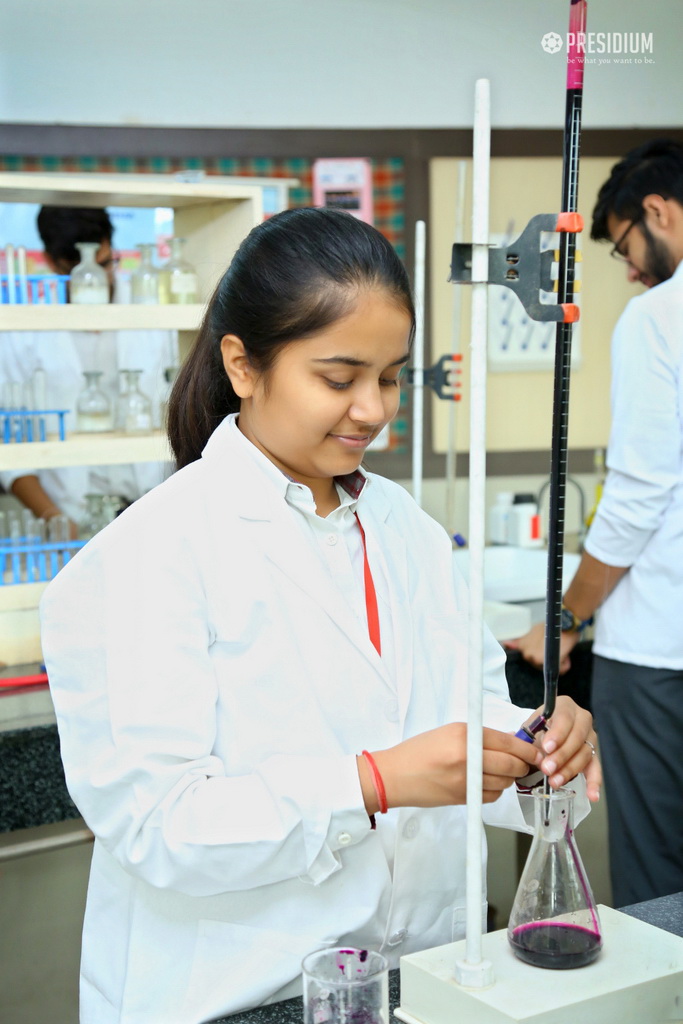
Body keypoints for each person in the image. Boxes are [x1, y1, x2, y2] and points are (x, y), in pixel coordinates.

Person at [40, 208, 600, 1024]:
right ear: (242, 364)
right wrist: (370, 783)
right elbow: (160, 825)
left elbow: (457, 719)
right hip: (238, 997)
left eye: (390, 377)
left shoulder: (407, 531)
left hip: (426, 978)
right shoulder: (147, 554)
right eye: (338, 379)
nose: (372, 410)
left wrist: (534, 745)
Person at [508, 138, 683, 907]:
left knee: (658, 879)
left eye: (624, 249)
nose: (631, 270)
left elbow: (637, 498)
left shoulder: (657, 319)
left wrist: (564, 618)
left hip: (657, 655)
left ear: (658, 211)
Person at [0, 205, 177, 537]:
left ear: (111, 247)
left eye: (105, 263)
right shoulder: (22, 328)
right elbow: (9, 441)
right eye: (80, 270)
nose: (97, 278)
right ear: (52, 262)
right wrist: (54, 519)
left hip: (156, 507)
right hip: (73, 518)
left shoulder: (155, 314)